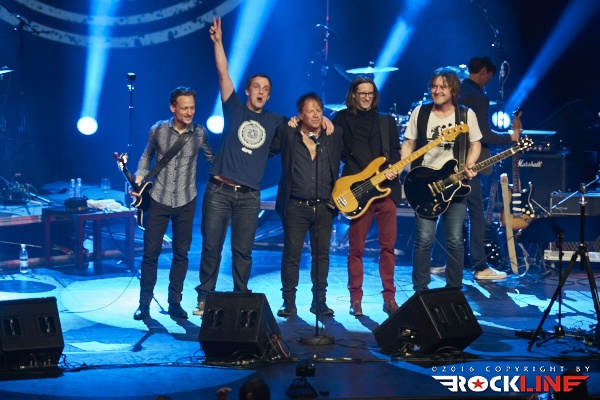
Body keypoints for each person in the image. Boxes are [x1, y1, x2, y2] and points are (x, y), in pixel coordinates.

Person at [194, 17, 332, 316]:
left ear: (269, 95)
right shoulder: (234, 109)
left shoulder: (276, 121)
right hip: (219, 191)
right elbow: (223, 75)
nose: (260, 91)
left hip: (249, 196)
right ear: (247, 91)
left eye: (265, 88)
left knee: (243, 251)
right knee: (211, 247)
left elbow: (305, 122)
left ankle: (240, 298)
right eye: (256, 86)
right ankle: (205, 297)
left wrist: (324, 119)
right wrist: (218, 43)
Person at [133, 86, 214, 321]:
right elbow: (146, 155)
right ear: (173, 108)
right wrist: (140, 175)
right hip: (159, 198)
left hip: (186, 200)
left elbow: (212, 158)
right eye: (185, 108)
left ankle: (175, 302)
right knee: (151, 254)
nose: (189, 112)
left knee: (181, 254)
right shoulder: (158, 130)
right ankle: (144, 304)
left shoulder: (200, 133)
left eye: (192, 108)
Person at [400, 67, 482, 292]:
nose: (437, 91)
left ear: (453, 89)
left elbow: (475, 144)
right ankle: (420, 289)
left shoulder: (466, 115)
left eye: (442, 87)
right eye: (434, 87)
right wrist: (405, 170)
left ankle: (453, 288)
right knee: (424, 239)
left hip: (455, 185)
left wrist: (470, 163)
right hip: (425, 186)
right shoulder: (420, 112)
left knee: (454, 239)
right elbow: (409, 142)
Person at [332, 76, 402, 316]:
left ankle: (389, 298)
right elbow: (332, 149)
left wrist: (394, 168)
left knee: (388, 248)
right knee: (356, 249)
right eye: (362, 93)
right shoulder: (341, 119)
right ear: (354, 94)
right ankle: (355, 299)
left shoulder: (386, 121)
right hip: (358, 193)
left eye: (370, 94)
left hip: (385, 191)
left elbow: (395, 152)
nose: (366, 98)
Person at [270, 92, 343, 317]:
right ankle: (288, 303)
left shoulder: (333, 134)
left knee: (321, 256)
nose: (316, 114)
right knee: (291, 256)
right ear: (300, 115)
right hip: (296, 206)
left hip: (324, 207)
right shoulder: (287, 133)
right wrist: (290, 121)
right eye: (310, 111)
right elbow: (268, 147)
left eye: (319, 110)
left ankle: (319, 302)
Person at [458, 55, 523, 280]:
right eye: (489, 76)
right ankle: (480, 267)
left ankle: (437, 262)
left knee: (449, 209)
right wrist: (510, 137)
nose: (488, 81)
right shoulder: (478, 97)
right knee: (477, 212)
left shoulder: (456, 90)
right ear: (485, 71)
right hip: (472, 163)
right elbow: (483, 135)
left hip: (450, 161)